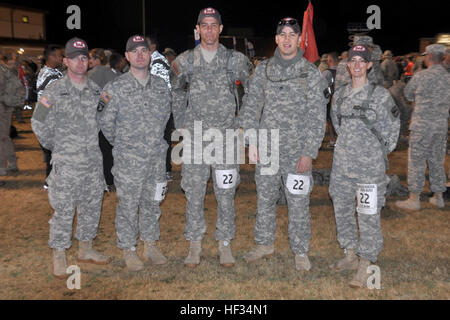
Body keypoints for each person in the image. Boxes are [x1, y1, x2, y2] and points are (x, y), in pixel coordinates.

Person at [240, 17, 327, 271]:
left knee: (298, 201)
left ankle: (300, 251)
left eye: (292, 34)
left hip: (296, 151)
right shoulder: (264, 70)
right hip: (267, 148)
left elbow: (317, 116)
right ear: (276, 39)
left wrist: (309, 152)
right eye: (283, 34)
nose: (287, 39)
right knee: (265, 199)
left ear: (299, 39)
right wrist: (251, 142)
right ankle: (264, 244)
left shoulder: (309, 72)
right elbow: (250, 107)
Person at [170, 7, 252, 268]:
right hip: (195, 140)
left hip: (226, 139)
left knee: (226, 193)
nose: (208, 30)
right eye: (203, 25)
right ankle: (194, 245)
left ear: (220, 28)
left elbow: (252, 94)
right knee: (194, 193)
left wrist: (243, 125)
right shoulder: (184, 61)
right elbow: (176, 92)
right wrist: (180, 123)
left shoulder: (235, 61)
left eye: (213, 25)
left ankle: (225, 244)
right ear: (198, 29)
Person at [31, 37, 110, 279]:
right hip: (66, 163)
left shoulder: (96, 92)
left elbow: (104, 120)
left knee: (91, 206)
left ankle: (86, 249)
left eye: (84, 57)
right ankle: (59, 255)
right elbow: (38, 122)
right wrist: (58, 147)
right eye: (74, 57)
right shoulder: (54, 91)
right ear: (65, 61)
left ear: (88, 61)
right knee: (64, 210)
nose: (80, 61)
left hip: (92, 163)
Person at [329, 44, 400, 288]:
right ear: (347, 65)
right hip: (342, 166)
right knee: (342, 210)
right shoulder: (339, 95)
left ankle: (366, 261)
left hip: (369, 168)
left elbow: (392, 130)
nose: (357, 64)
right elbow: (337, 125)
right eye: (353, 60)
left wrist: (374, 154)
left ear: (370, 65)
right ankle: (349, 254)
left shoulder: (380, 96)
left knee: (368, 214)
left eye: (362, 60)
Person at [98, 35, 172, 271]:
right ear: (127, 56)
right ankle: (129, 249)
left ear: (150, 54)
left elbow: (165, 118)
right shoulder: (115, 88)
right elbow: (105, 122)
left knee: (153, 202)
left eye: (144, 50)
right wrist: (125, 144)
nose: (140, 55)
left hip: (156, 158)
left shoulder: (161, 86)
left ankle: (150, 245)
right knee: (128, 205)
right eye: (134, 51)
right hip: (128, 159)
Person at [395, 44, 450, 210]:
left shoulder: (421, 76)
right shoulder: (448, 78)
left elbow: (407, 94)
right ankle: (438, 196)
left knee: (417, 161)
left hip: (422, 126)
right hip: (440, 126)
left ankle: (414, 198)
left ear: (429, 57)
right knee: (437, 160)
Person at [36, 45, 64, 189]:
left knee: (51, 154)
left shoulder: (51, 72)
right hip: (52, 120)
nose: (62, 58)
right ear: (52, 57)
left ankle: (50, 181)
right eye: (60, 55)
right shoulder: (51, 76)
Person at [0, 60, 26, 176]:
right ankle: (12, 163)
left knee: (2, 138)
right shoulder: (3, 67)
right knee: (4, 137)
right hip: (6, 105)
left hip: (2, 106)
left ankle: (1, 167)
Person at [322, 51, 339, 147]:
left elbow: (321, 86)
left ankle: (332, 140)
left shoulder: (327, 72)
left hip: (330, 99)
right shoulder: (344, 70)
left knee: (330, 120)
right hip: (342, 99)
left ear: (329, 60)